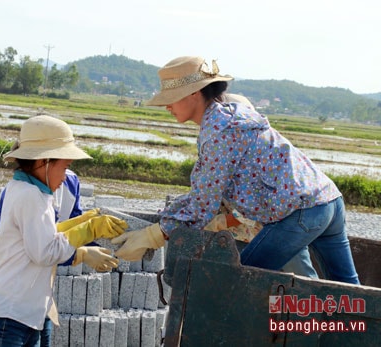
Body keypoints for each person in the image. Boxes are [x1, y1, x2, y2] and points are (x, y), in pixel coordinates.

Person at [112, 56, 359, 285]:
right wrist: (163, 220)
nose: (167, 107)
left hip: (299, 213)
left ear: (194, 93)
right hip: (329, 201)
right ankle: (358, 332)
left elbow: (202, 208)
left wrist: (156, 235)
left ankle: (303, 331)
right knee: (350, 290)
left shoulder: (219, 132)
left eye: (171, 98)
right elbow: (204, 194)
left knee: (239, 286)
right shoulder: (232, 117)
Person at [0, 115, 127, 346]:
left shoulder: (34, 193)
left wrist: (79, 224)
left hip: (27, 314)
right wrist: (86, 234)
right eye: (65, 167)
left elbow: (43, 234)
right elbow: (44, 251)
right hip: (11, 315)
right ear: (44, 162)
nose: (66, 176)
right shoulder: (29, 196)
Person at [0, 169, 88, 347]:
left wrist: (108, 242)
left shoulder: (70, 181)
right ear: (44, 162)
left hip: (37, 272)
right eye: (61, 166)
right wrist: (78, 254)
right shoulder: (25, 192)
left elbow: (72, 226)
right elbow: (40, 248)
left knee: (40, 334)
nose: (63, 175)